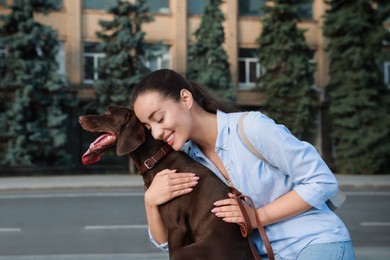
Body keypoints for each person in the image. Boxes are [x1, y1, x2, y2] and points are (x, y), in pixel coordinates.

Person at [131, 69, 355, 260]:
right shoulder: (186, 161)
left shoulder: (252, 128)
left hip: (314, 243)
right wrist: (150, 201)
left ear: (186, 99)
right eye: (149, 127)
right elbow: (167, 243)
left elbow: (322, 181)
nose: (157, 133)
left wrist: (256, 216)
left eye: (159, 119)